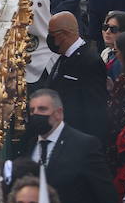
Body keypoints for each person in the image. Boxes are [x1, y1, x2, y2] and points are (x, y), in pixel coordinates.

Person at [13, 88, 122, 203]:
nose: (36, 115)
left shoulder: (84, 145)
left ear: (58, 113)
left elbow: (107, 196)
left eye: (42, 109)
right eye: (32, 111)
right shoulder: (29, 145)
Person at [45, 11, 109, 142]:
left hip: (77, 137)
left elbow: (96, 109)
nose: (50, 38)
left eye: (52, 34)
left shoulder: (89, 61)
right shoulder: (65, 55)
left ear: (65, 34)